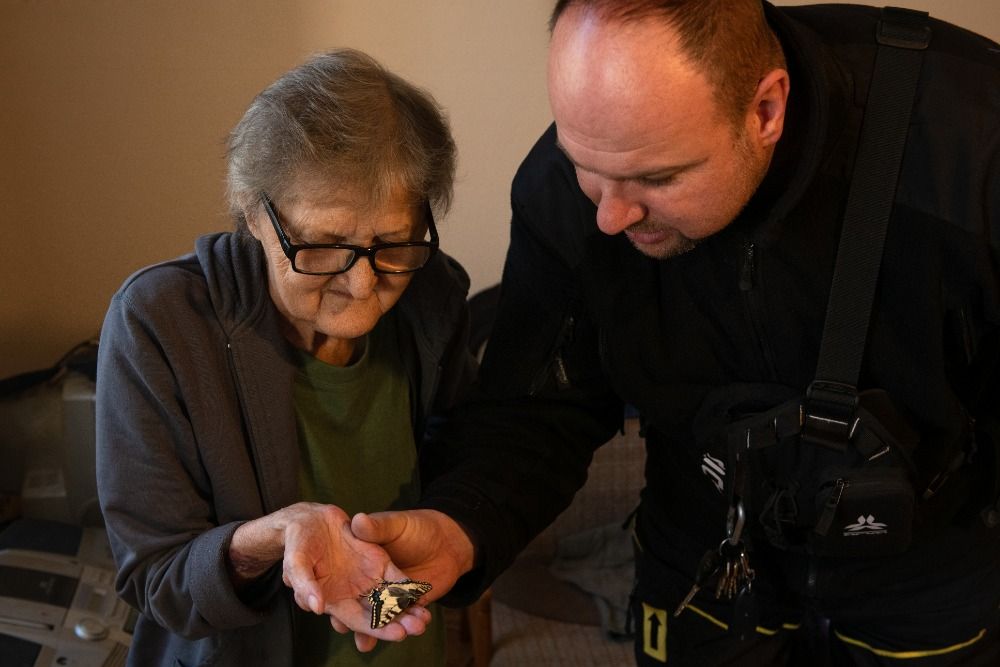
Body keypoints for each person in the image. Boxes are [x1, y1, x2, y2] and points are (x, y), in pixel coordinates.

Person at [352, 1, 1000, 665]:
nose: (609, 216)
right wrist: (459, 526)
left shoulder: (972, 148)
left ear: (765, 110)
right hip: (701, 545)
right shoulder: (564, 190)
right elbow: (535, 406)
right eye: (584, 166)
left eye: (656, 177)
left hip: (931, 557)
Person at [95, 48, 476, 667]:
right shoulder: (160, 322)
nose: (360, 285)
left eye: (392, 243)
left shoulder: (433, 299)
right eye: (324, 246)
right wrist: (267, 541)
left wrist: (387, 604)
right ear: (253, 213)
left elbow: (461, 472)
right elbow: (157, 580)